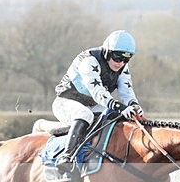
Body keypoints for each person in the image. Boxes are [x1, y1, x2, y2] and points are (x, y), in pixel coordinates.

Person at [52, 30, 145, 174]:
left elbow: (127, 91)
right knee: (85, 115)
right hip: (66, 102)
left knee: (115, 118)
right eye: (117, 57)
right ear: (107, 51)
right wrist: (119, 106)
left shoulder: (122, 68)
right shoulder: (89, 61)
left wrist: (134, 106)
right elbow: (97, 92)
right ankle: (67, 157)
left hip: (92, 105)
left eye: (127, 59)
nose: (121, 63)